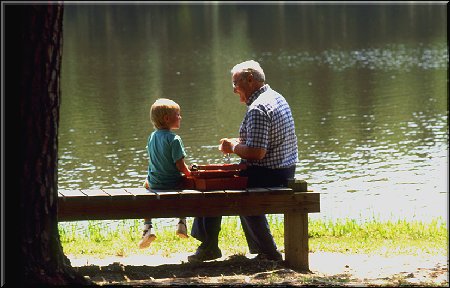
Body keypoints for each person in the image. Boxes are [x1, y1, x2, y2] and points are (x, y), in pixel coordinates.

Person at [188, 60, 298, 262]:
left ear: (250, 80)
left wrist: (232, 147)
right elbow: (263, 141)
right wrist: (237, 143)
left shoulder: (258, 108)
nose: (233, 90)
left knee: (212, 186)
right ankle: (262, 249)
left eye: (235, 84)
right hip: (285, 170)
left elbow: (256, 152)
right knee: (227, 180)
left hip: (267, 175)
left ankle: (210, 246)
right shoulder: (276, 97)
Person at [138, 98, 192, 249]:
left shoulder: (152, 137)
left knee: (145, 186)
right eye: (178, 114)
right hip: (173, 183)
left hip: (155, 182)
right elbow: (180, 165)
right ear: (167, 118)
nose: (180, 117)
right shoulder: (174, 139)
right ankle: (181, 222)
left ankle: (147, 227)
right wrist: (190, 174)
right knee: (186, 184)